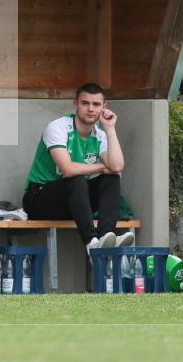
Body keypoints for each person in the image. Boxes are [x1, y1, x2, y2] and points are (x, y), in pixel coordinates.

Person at [22, 83, 134, 255]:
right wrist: (105, 166)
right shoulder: (58, 127)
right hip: (39, 198)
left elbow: (117, 167)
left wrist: (110, 129)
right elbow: (67, 169)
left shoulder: (100, 135)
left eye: (96, 104)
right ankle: (91, 243)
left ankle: (105, 238)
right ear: (75, 104)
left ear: (104, 107)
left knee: (111, 179)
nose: (90, 109)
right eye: (85, 103)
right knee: (77, 179)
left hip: (75, 202)